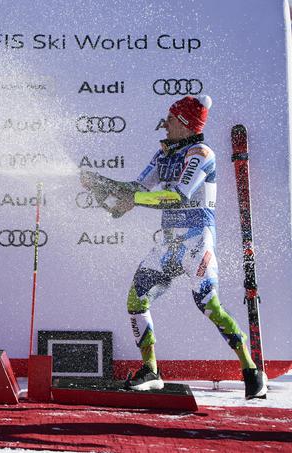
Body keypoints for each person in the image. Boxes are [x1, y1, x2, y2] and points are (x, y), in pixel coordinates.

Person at [81, 95, 266, 399]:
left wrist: (133, 200)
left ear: (184, 124)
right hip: (169, 243)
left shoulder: (201, 153)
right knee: (136, 298)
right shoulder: (163, 153)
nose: (164, 124)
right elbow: (138, 189)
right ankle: (151, 371)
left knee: (209, 305)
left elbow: (178, 196)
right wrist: (103, 184)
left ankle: (250, 370)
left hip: (196, 241)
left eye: (170, 119)